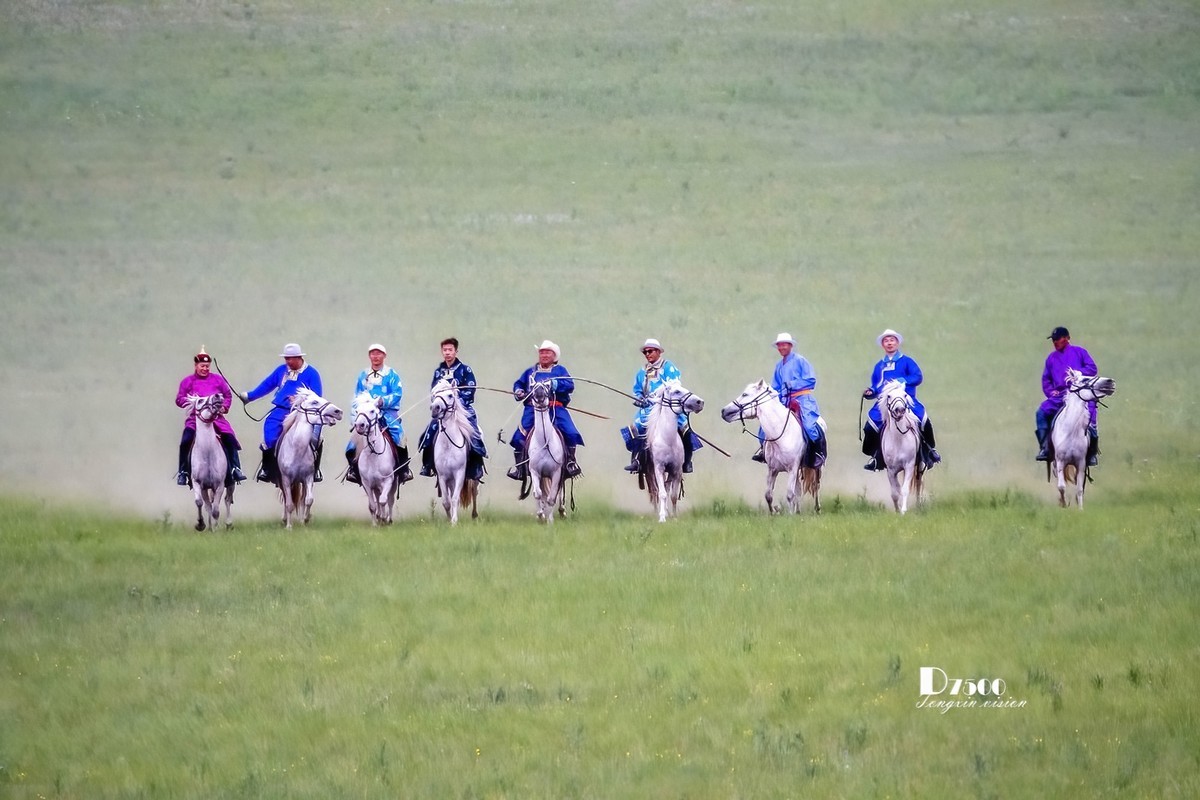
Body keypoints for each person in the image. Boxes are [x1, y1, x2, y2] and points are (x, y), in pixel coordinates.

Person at [237, 343, 325, 485]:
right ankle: (268, 469)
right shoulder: (281, 370)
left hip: (303, 413)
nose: (287, 361)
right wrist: (250, 396)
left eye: (290, 358)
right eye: (286, 358)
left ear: (299, 357)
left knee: (316, 438)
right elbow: (267, 385)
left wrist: (299, 400)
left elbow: (317, 396)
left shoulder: (312, 373)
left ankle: (315, 470)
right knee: (269, 432)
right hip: (282, 410)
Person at [860, 329, 942, 471]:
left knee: (923, 420)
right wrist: (871, 391)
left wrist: (903, 380)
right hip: (886, 402)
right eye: (886, 341)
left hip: (906, 400)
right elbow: (877, 386)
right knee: (870, 426)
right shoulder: (879, 366)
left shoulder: (907, 361)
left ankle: (929, 450)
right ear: (883, 345)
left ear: (897, 343)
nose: (889, 343)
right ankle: (877, 456)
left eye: (892, 340)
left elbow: (917, 377)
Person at [620, 338, 701, 474]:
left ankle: (687, 461)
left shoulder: (668, 367)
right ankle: (637, 460)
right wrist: (639, 399)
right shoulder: (642, 372)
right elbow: (637, 390)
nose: (647, 354)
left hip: (668, 406)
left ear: (658, 352)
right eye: (645, 352)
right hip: (648, 409)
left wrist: (658, 397)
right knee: (635, 427)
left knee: (685, 428)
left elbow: (674, 386)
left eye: (650, 351)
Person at [507, 340, 584, 481]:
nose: (544, 355)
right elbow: (519, 384)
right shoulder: (530, 372)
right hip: (533, 409)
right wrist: (518, 391)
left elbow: (569, 385)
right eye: (542, 352)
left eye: (548, 352)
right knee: (518, 437)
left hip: (555, 407)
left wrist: (554, 384)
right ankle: (520, 468)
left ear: (554, 356)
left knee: (571, 433)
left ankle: (570, 462)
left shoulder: (560, 371)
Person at [417, 337, 488, 481]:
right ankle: (427, 465)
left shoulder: (465, 370)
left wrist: (457, 400)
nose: (447, 353)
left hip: (462, 409)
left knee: (473, 432)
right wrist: (439, 402)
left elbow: (470, 389)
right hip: (443, 412)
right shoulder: (439, 372)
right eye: (445, 350)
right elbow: (434, 392)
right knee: (429, 433)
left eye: (450, 350)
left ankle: (476, 465)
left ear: (456, 351)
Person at [753, 333, 827, 469]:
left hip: (802, 399)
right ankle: (764, 450)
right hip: (784, 401)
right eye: (779, 345)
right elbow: (776, 387)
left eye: (784, 344)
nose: (781, 347)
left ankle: (817, 453)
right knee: (766, 423)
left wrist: (792, 385)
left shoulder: (800, 361)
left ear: (790, 345)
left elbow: (811, 380)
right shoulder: (778, 366)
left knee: (809, 426)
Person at [174, 347, 246, 485]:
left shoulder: (218, 380)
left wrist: (224, 407)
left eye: (207, 366)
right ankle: (183, 472)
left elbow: (227, 395)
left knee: (230, 437)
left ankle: (235, 469)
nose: (205, 368)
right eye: (202, 366)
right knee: (186, 440)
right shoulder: (187, 381)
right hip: (195, 419)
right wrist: (192, 403)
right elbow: (179, 399)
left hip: (216, 419)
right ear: (196, 366)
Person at [345, 343, 414, 486]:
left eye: (378, 353)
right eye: (373, 353)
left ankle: (404, 470)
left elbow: (397, 394)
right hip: (366, 416)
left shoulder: (392, 374)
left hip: (387, 414)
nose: (375, 356)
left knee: (400, 437)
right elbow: (356, 397)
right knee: (351, 445)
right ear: (369, 356)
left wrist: (383, 401)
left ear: (384, 356)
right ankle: (353, 471)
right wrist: (355, 419)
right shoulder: (363, 375)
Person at [1036, 326, 1100, 465]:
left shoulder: (1080, 352)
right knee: (1040, 413)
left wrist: (1078, 374)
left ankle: (1092, 453)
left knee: (1091, 415)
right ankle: (1044, 447)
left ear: (1067, 338)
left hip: (1079, 394)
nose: (1055, 342)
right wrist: (1050, 392)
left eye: (1058, 339)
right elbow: (1046, 379)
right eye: (1053, 340)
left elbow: (1092, 368)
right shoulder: (1051, 359)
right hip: (1060, 396)